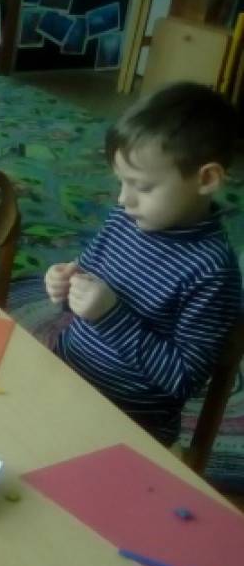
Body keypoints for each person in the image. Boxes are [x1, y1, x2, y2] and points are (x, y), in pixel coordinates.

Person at [45, 83, 242, 448]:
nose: (123, 199)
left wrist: (110, 316)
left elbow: (183, 379)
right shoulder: (125, 218)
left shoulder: (212, 271)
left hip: (125, 425)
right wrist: (64, 285)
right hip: (65, 378)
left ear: (207, 179)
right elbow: (85, 284)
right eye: (121, 183)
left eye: (143, 187)